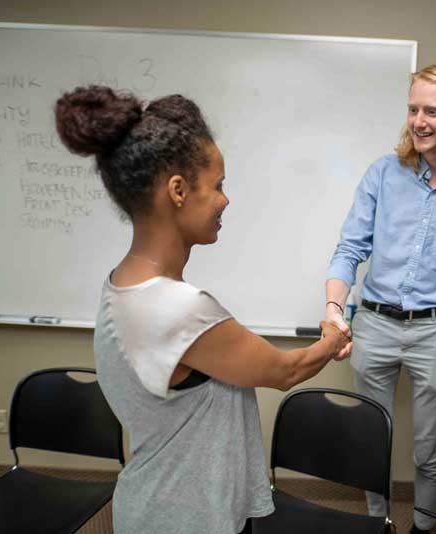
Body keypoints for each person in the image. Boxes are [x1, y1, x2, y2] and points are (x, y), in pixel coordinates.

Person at [54, 86, 350, 534]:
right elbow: (284, 371)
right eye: (218, 185)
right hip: (184, 517)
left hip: (163, 505)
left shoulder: (122, 285)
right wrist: (333, 338)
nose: (225, 200)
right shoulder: (178, 309)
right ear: (177, 190)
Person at [325, 62, 436, 533]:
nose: (418, 121)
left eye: (432, 110)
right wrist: (333, 309)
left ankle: (423, 528)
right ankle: (376, 525)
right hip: (375, 325)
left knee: (429, 449)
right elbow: (350, 249)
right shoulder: (383, 174)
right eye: (412, 109)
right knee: (371, 441)